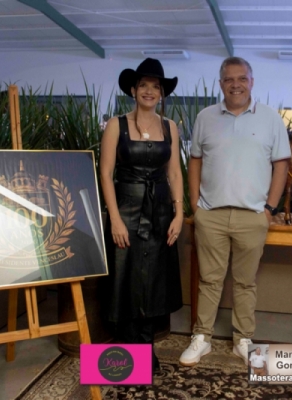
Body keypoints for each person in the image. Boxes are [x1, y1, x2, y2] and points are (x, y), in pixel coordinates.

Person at [179, 57, 290, 366]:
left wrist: (269, 209)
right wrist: (195, 205)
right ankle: (202, 338)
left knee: (245, 283)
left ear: (251, 82)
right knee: (209, 281)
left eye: (242, 78)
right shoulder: (205, 117)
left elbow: (281, 165)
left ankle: (243, 340)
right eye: (229, 79)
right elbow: (195, 161)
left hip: (252, 216)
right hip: (210, 215)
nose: (236, 84)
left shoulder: (270, 119)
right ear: (221, 84)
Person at [100, 58, 183, 373]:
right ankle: (127, 354)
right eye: (144, 85)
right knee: (126, 279)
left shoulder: (170, 127)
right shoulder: (115, 125)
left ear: (161, 93)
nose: (150, 91)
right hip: (126, 208)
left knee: (153, 281)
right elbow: (106, 173)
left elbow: (174, 173)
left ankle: (146, 352)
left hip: (160, 210)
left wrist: (179, 213)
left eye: (155, 86)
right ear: (133, 90)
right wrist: (115, 218)